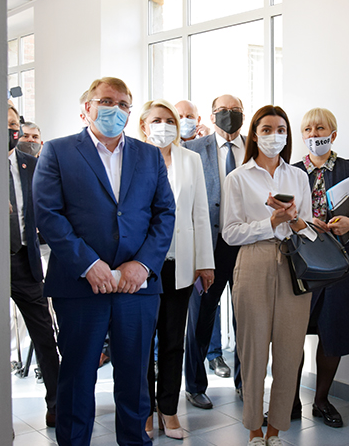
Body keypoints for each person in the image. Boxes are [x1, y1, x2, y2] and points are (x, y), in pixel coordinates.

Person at [33, 77, 175, 446]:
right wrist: (88, 264)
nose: (116, 110)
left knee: (135, 380)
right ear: (87, 107)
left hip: (136, 287)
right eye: (107, 101)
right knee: (78, 379)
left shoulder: (149, 155)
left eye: (124, 104)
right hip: (80, 286)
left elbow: (165, 213)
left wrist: (142, 265)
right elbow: (48, 214)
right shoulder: (58, 151)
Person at [222, 105, 314, 446]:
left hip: (293, 263)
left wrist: (293, 219)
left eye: (281, 130)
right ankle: (254, 429)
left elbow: (308, 229)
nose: (275, 136)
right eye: (267, 129)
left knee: (290, 352)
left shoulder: (299, 176)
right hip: (253, 261)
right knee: (253, 350)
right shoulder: (238, 178)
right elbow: (230, 232)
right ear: (255, 134)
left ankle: (276, 429)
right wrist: (270, 223)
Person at [289, 107, 349, 428]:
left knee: (334, 331)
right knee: (292, 333)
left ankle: (322, 400)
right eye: (308, 129)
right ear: (302, 136)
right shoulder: (292, 171)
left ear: (333, 133)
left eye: (320, 128)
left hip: (340, 264)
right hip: (300, 264)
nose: (314, 134)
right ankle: (289, 401)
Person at [138, 98, 215, 440]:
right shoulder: (133, 158)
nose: (165, 126)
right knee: (142, 342)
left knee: (172, 341)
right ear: (143, 126)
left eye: (170, 120)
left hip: (179, 265)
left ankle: (168, 410)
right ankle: (144, 410)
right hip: (141, 267)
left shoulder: (190, 159)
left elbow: (200, 212)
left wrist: (205, 262)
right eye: (157, 120)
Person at [183, 94, 246, 409]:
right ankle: (195, 386)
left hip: (247, 246)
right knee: (201, 318)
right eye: (222, 110)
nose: (229, 115)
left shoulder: (255, 147)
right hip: (209, 248)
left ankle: (245, 384)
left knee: (246, 319)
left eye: (235, 111)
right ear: (211, 116)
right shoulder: (194, 149)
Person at [7, 104, 60, 429]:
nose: (11, 131)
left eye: (14, 124)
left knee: (44, 334)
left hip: (24, 262)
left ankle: (57, 405)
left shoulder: (31, 164)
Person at [175, 99, 226, 376]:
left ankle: (214, 355)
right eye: (179, 115)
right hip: (185, 245)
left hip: (223, 242)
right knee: (192, 309)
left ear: (199, 119)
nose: (184, 120)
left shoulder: (201, 148)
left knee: (210, 305)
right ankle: (169, 363)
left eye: (189, 116)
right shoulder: (180, 151)